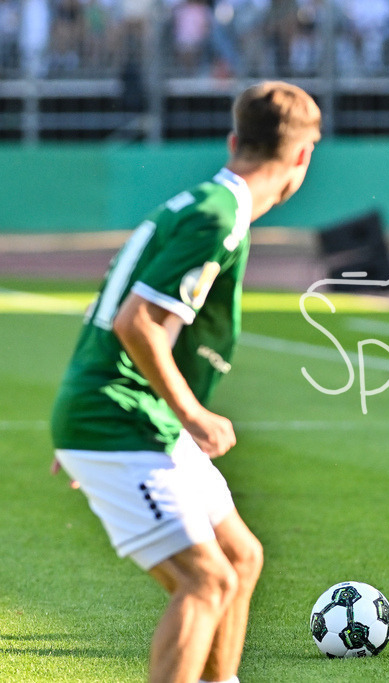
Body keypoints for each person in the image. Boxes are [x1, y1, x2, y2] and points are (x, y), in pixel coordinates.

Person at [50, 81, 321, 683]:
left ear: (233, 141)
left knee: (241, 559)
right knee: (206, 580)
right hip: (122, 419)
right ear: (303, 156)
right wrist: (192, 413)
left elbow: (113, 309)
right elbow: (135, 322)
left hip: (127, 415)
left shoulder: (204, 203)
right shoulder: (217, 217)